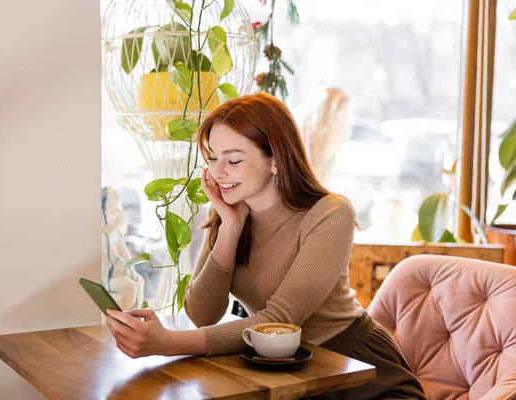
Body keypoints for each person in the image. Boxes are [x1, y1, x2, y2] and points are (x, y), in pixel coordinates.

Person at [104, 92, 426, 399]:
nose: (218, 171)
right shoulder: (232, 212)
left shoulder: (330, 213)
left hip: (359, 374)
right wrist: (230, 227)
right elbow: (202, 313)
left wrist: (168, 343)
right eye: (213, 158)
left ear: (275, 159)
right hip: (284, 371)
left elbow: (281, 321)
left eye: (233, 159)